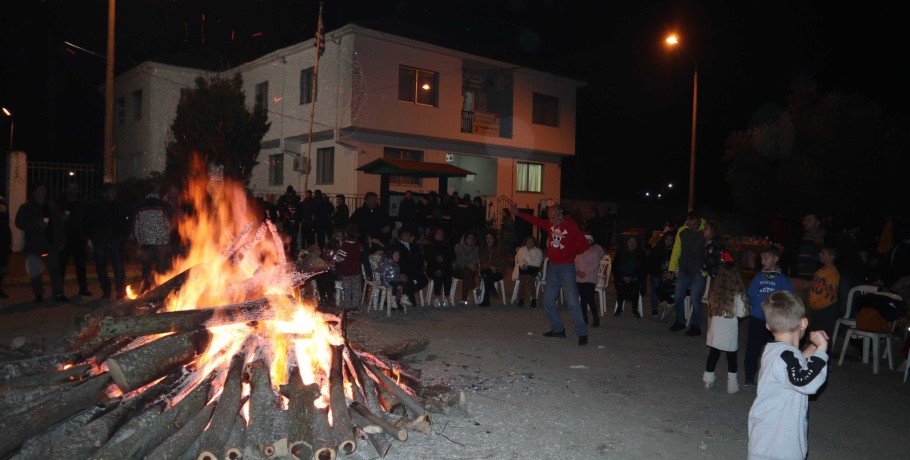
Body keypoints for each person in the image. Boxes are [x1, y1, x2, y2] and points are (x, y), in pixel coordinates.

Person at [747, 291, 829, 460]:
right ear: (804, 323)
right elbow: (805, 382)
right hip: (777, 445)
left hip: (767, 440)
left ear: (768, 326)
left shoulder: (777, 351)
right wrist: (821, 350)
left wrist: (812, 349)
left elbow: (795, 364)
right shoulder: (786, 356)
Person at [511, 203, 591, 346]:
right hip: (553, 267)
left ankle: (582, 333)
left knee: (572, 301)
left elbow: (584, 245)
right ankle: (558, 329)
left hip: (567, 267)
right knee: (548, 301)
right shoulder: (550, 225)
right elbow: (535, 221)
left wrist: (572, 253)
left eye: (553, 217)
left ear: (560, 215)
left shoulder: (571, 226)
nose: (551, 220)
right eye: (549, 217)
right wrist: (519, 213)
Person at [744, 245, 796, 387]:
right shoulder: (758, 276)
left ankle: (771, 378)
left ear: (775, 259)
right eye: (761, 258)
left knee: (774, 351)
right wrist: (758, 307)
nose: (762, 261)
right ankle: (749, 376)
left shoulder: (782, 279)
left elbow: (789, 296)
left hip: (774, 322)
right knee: (752, 349)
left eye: (766, 258)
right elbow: (751, 294)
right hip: (757, 319)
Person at [702, 255, 749, 394]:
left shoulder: (715, 292)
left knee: (713, 354)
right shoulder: (738, 295)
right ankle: (732, 385)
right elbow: (741, 313)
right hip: (729, 330)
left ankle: (708, 380)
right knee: (731, 357)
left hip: (716, 329)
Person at [15, 183, 68, 302]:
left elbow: (58, 225)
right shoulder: (26, 207)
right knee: (35, 270)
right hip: (35, 244)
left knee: (55, 269)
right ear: (34, 192)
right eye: (41, 189)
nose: (44, 191)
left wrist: (61, 241)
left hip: (51, 243)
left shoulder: (51, 205)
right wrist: (35, 224)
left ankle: (58, 293)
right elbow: (19, 223)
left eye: (45, 189)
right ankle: (38, 294)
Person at [668, 210, 707, 336]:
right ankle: (680, 321)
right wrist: (672, 268)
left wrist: (705, 270)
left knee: (695, 299)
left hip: (698, 271)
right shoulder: (682, 230)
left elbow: (710, 250)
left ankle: (696, 327)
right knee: (678, 296)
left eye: (694, 224)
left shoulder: (705, 231)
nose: (691, 227)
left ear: (699, 220)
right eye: (689, 224)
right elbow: (676, 249)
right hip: (684, 269)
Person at [133, 187, 174, 292]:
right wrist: (166, 236)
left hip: (146, 243)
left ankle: (145, 290)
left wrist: (140, 240)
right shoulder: (162, 206)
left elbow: (136, 227)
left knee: (146, 268)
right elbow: (168, 224)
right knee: (160, 268)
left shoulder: (140, 207)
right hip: (161, 242)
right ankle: (159, 289)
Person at [57, 181, 93, 297]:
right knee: (61, 265)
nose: (72, 190)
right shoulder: (59, 203)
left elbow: (87, 221)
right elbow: (53, 220)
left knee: (80, 265)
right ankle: (59, 290)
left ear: (78, 190)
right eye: (70, 188)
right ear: (66, 189)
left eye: (75, 188)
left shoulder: (82, 203)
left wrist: (88, 236)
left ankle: (83, 288)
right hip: (64, 237)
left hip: (78, 237)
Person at [806, 246, 840, 339]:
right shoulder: (820, 271)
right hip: (816, 309)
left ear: (831, 257)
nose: (820, 255)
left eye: (823, 253)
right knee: (814, 336)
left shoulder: (832, 274)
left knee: (823, 336)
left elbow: (831, 296)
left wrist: (817, 305)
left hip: (825, 310)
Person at [389, 226, 428, 306]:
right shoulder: (396, 245)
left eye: (408, 235)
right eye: (405, 235)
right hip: (403, 270)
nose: (407, 236)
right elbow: (397, 260)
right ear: (401, 235)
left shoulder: (413, 245)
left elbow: (419, 257)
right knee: (408, 280)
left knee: (424, 280)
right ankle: (407, 296)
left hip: (414, 269)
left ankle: (406, 293)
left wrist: (421, 266)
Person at [613, 234, 647, 317]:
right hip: (622, 277)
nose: (632, 244)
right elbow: (615, 267)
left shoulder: (641, 254)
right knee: (621, 287)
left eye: (634, 242)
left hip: (635, 278)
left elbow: (644, 269)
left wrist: (634, 277)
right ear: (627, 243)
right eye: (630, 242)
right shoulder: (620, 252)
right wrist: (622, 277)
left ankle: (634, 310)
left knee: (635, 288)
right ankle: (619, 309)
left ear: (637, 243)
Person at [575, 233, 605, 326]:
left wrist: (584, 272)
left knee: (590, 298)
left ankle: (595, 317)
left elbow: (595, 265)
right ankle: (584, 317)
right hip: (579, 278)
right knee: (582, 299)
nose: (587, 242)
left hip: (590, 278)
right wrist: (577, 272)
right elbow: (574, 262)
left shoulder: (595, 251)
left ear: (592, 241)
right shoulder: (577, 251)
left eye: (589, 240)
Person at [477, 231, 512, 306]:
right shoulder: (483, 249)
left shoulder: (500, 248)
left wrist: (496, 267)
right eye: (487, 238)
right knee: (487, 272)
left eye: (490, 238)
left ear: (494, 239)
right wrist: (489, 266)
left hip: (498, 272)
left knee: (487, 277)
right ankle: (492, 291)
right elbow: (481, 261)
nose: (488, 240)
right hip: (485, 270)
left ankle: (486, 300)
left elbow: (505, 261)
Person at [423, 226, 454, 306]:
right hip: (433, 268)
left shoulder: (446, 244)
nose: (441, 235)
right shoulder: (429, 245)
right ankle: (436, 297)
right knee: (438, 276)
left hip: (445, 268)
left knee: (447, 277)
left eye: (442, 234)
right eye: (439, 234)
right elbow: (429, 259)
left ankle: (446, 297)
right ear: (434, 235)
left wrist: (443, 259)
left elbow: (452, 256)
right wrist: (437, 268)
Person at [647, 231, 676, 317]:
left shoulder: (674, 251)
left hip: (669, 274)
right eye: (667, 239)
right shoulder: (657, 248)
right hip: (656, 272)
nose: (669, 242)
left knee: (668, 289)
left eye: (671, 240)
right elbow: (650, 262)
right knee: (656, 288)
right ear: (664, 239)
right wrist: (660, 267)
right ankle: (654, 310)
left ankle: (668, 308)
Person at [336, 224, 363, 310]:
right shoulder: (358, 245)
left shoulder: (345, 246)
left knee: (347, 290)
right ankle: (355, 306)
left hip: (346, 272)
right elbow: (361, 255)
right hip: (356, 272)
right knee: (355, 289)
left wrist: (336, 261)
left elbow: (339, 259)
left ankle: (347, 306)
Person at [513, 235, 543, 307]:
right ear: (525, 242)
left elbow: (537, 263)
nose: (530, 243)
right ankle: (524, 299)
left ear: (534, 243)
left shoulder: (538, 251)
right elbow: (520, 259)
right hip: (523, 270)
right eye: (528, 241)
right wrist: (523, 264)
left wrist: (526, 261)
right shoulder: (522, 250)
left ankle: (532, 299)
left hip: (534, 270)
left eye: (532, 242)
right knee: (523, 278)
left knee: (530, 278)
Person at [452, 232, 480, 305]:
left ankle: (464, 300)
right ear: (465, 239)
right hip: (458, 269)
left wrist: (472, 265)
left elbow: (475, 260)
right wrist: (468, 265)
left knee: (466, 274)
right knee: (466, 271)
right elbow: (459, 260)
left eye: (473, 239)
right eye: (469, 238)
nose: (471, 240)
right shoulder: (459, 247)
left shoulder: (476, 249)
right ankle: (474, 288)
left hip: (470, 271)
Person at [0, 196, 11, 298]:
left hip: (2, 238)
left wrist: (9, 239)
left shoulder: (2, 201)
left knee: (2, 264)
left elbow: (6, 222)